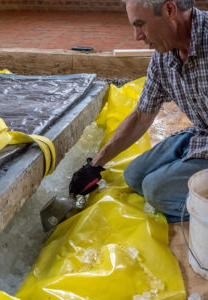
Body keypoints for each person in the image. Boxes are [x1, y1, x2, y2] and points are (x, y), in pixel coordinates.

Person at [69, 0, 208, 222]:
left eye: (140, 24)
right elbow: (142, 115)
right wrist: (95, 164)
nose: (137, 36)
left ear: (169, 10)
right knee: (134, 176)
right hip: (203, 133)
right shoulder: (164, 56)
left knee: (155, 191)